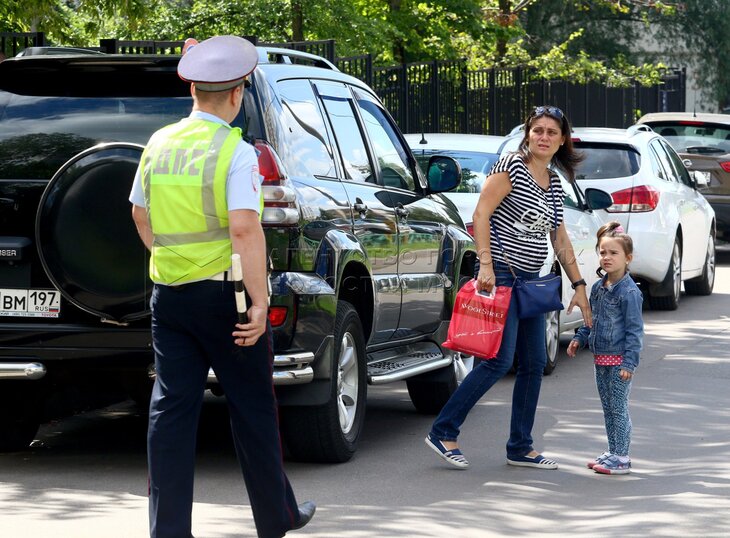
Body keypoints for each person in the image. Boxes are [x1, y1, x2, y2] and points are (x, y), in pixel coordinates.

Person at [129, 35, 315, 538]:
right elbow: (244, 229)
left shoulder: (158, 143)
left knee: (170, 411)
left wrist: (170, 261)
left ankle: (168, 530)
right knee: (253, 408)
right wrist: (260, 302)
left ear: (192, 90)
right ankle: (275, 519)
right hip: (227, 299)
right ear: (236, 95)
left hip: (168, 296)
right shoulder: (235, 150)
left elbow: (139, 215)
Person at [425, 105, 591, 470]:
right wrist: (484, 262)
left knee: (533, 364)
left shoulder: (554, 182)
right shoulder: (511, 166)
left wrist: (578, 283)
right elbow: (481, 213)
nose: (544, 137)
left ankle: (520, 446)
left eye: (552, 132)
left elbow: (558, 235)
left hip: (532, 281)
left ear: (562, 140)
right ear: (528, 134)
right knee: (498, 360)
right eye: (538, 131)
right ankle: (443, 430)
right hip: (501, 274)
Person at [567, 221, 643, 475]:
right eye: (603, 252)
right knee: (608, 408)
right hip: (601, 360)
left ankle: (622, 456)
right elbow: (593, 319)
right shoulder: (600, 287)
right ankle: (613, 451)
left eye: (613, 253)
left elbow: (634, 331)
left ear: (628, 258)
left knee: (619, 408)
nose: (607, 258)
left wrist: (629, 363)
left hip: (620, 361)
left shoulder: (629, 292)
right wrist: (580, 338)